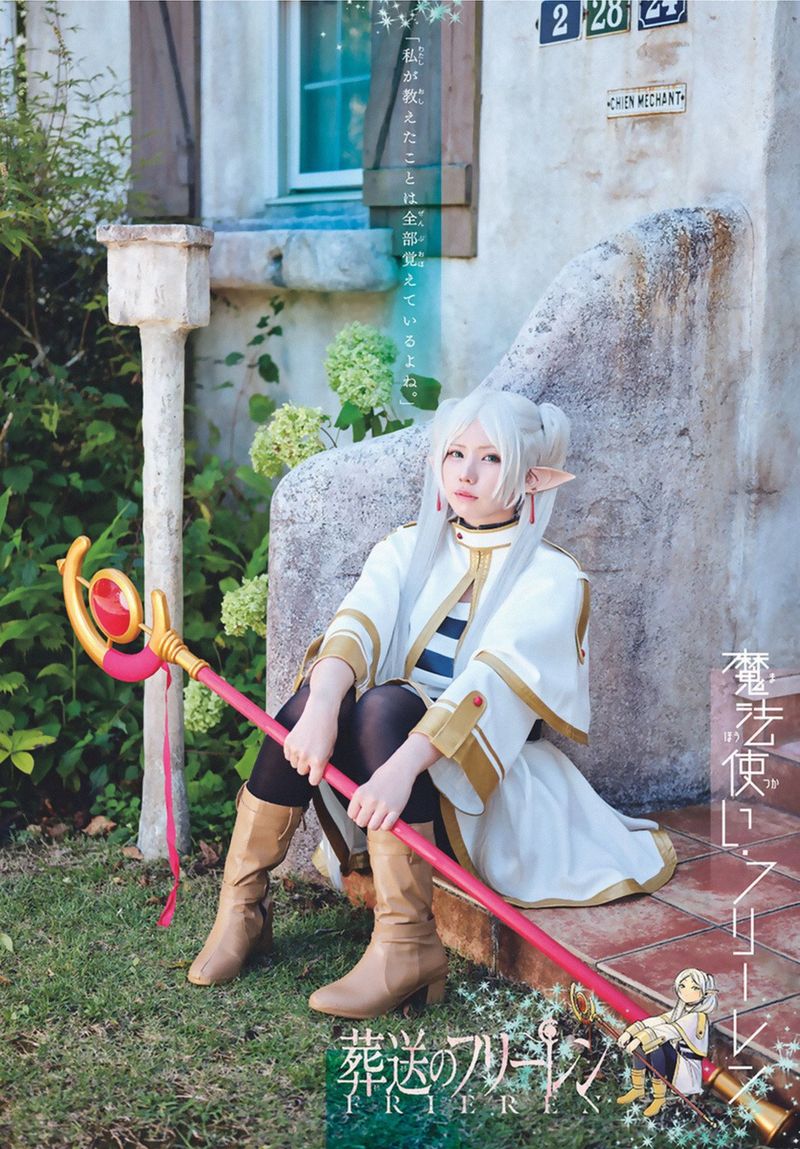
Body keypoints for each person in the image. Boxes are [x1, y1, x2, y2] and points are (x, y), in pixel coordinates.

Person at [187, 390, 677, 1019]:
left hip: (480, 786)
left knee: (386, 707)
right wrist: (322, 705)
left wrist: (401, 768)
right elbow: (356, 623)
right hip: (385, 773)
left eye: (490, 458)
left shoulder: (553, 578)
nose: (466, 473)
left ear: (531, 478)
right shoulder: (407, 546)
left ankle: (407, 944)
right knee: (317, 702)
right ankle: (242, 909)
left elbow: (489, 688)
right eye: (454, 454)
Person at [616, 967, 717, 1116]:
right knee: (648, 1041)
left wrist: (638, 1038)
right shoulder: (681, 1011)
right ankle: (638, 1088)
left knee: (655, 1044)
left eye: (694, 988)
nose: (686, 991)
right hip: (675, 1061)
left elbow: (668, 1030)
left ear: (705, 993)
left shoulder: (696, 1017)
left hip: (686, 1068)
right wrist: (630, 1032)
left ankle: (659, 1098)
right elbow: (658, 1021)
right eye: (682, 986)